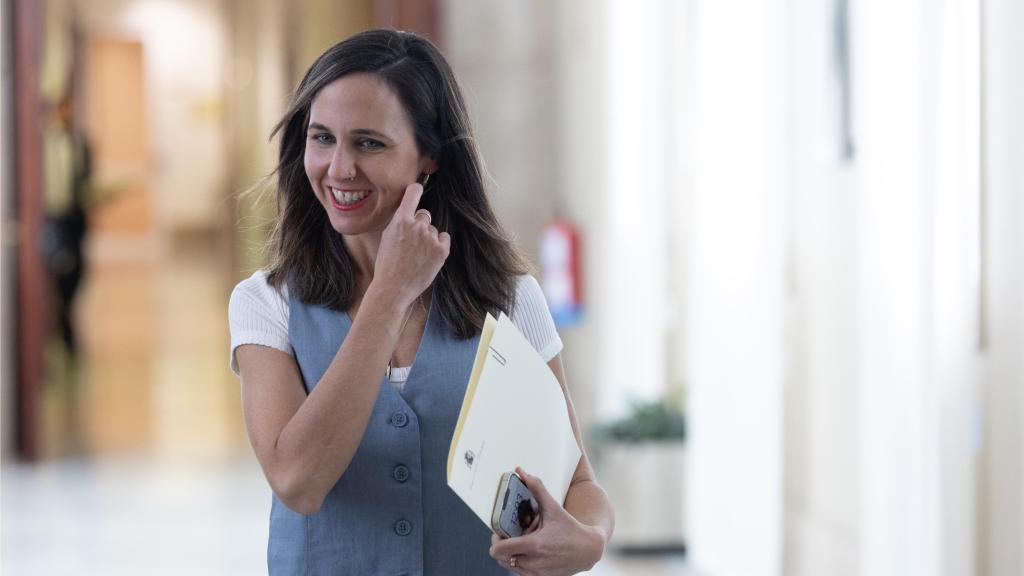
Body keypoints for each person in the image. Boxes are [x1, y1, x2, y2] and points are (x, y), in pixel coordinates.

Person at [229, 29, 613, 575]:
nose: (339, 169)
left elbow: (577, 483)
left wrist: (589, 540)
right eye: (322, 138)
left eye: (369, 143)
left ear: (428, 156)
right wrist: (390, 292)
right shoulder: (265, 305)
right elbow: (298, 481)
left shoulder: (510, 298)